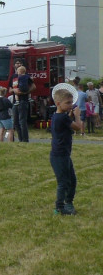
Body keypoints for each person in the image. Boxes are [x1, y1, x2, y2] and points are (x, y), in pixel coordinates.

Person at [49, 87, 81, 215]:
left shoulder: (59, 116)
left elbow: (67, 123)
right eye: (67, 103)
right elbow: (78, 127)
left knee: (71, 180)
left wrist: (71, 115)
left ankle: (68, 203)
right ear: (58, 103)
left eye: (71, 102)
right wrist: (77, 116)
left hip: (64, 154)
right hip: (59, 155)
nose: (70, 105)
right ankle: (60, 207)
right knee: (63, 182)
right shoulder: (62, 118)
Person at [10, 65, 34, 142]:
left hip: (23, 101)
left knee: (22, 121)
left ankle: (25, 140)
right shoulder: (14, 78)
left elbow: (34, 87)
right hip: (15, 102)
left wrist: (25, 92)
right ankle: (20, 139)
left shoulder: (26, 78)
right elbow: (10, 89)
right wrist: (14, 90)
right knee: (15, 122)